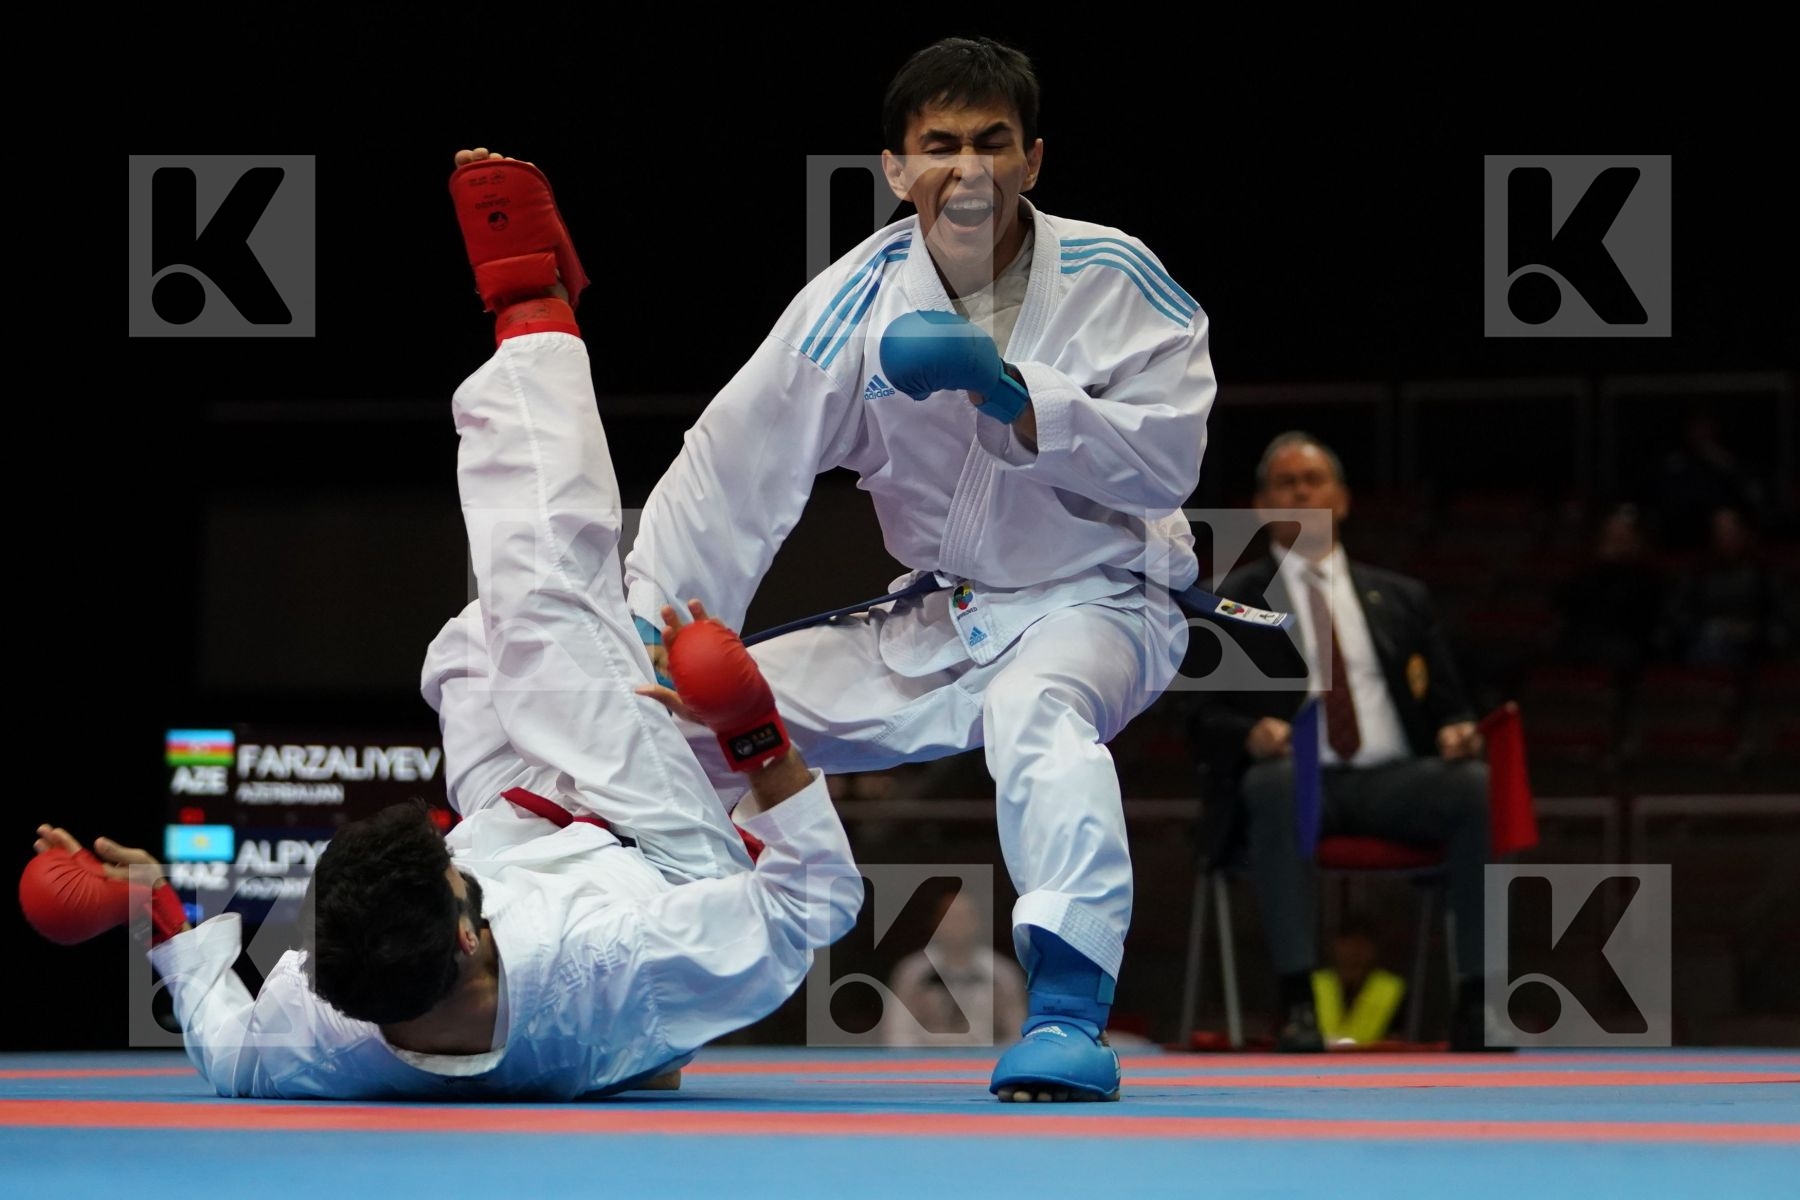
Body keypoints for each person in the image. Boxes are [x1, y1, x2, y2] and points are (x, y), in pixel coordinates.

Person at [17, 150, 863, 1100]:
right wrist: (757, 739)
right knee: (540, 595)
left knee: (465, 652)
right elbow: (814, 905)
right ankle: (531, 301)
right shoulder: (622, 960)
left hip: (513, 825)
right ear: (467, 929)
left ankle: (556, 463)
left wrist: (158, 913)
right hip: (649, 846)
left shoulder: (324, 1027)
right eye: (447, 871)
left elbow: (231, 1050)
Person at [623, 36, 1213, 1102]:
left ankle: (1071, 1013)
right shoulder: (849, 306)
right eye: (939, 145)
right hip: (943, 620)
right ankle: (662, 995)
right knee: (678, 731)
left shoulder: (1117, 276)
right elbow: (733, 474)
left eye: (994, 142)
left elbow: (1174, 455)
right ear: (896, 169)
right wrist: (653, 632)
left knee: (1040, 711)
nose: (968, 169)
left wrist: (1019, 392)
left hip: (1104, 597)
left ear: (1034, 158)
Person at [1187, 432, 1497, 1052]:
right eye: (1286, 484)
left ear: (1344, 500)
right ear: (1261, 506)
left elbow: (1451, 705)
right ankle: (1297, 999)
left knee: (1474, 788)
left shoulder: (1402, 599)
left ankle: (1475, 1000)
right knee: (1274, 784)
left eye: (1314, 481)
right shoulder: (1230, 600)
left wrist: (1457, 730)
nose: (1301, 492)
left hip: (1390, 781)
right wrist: (1251, 732)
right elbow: (1198, 717)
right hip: (1296, 782)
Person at [882, 890, 1027, 1047]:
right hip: (926, 1064)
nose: (957, 925)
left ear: (977, 922)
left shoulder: (1002, 974)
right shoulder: (913, 974)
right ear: (937, 923)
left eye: (964, 917)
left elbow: (1017, 1035)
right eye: (950, 918)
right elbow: (897, 1034)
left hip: (985, 1063)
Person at [1311, 914, 1405, 1047]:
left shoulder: (1393, 987)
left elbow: (1400, 1038)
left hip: (1376, 1062)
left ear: (1374, 947)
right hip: (1316, 1062)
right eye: (1348, 940)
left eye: (1363, 941)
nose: (1355, 948)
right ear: (1334, 944)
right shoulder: (1314, 983)